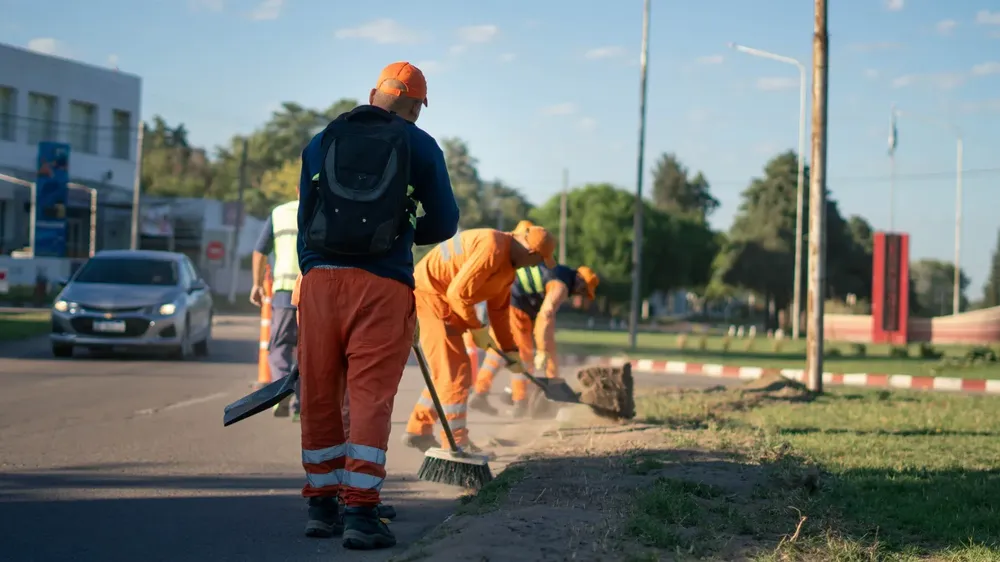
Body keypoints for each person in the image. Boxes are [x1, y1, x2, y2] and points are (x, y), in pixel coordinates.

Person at [295, 61, 459, 550]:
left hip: (320, 281)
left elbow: (307, 214)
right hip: (383, 285)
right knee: (369, 396)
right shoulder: (420, 144)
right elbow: (445, 221)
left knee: (321, 389)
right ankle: (361, 514)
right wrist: (403, 234)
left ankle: (321, 504)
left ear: (373, 94)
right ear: (415, 106)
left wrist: (316, 265)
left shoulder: (323, 140)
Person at [402, 225, 557, 452]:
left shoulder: (507, 270)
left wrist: (510, 350)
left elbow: (500, 313)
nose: (536, 266)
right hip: (432, 297)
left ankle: (419, 429)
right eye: (539, 260)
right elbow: (458, 293)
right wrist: (477, 327)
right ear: (531, 253)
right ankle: (455, 442)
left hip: (447, 302)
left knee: (450, 372)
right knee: (455, 374)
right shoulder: (492, 245)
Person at [470, 260, 600, 418]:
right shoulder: (560, 286)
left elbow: (547, 328)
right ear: (579, 280)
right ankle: (520, 402)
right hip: (515, 306)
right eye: (583, 291)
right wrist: (541, 350)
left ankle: (479, 393)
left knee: (497, 352)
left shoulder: (559, 275)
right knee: (523, 356)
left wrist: (553, 376)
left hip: (504, 299)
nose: (580, 296)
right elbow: (545, 316)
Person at [251, 195, 301, 419]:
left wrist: (256, 284)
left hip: (284, 293)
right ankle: (300, 406)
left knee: (280, 345)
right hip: (316, 293)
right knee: (309, 351)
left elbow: (260, 251)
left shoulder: (279, 214)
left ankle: (282, 390)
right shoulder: (326, 210)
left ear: (297, 189)